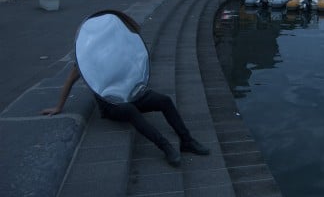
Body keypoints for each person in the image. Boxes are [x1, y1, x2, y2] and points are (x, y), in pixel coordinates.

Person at [41, 10, 210, 167]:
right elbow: (69, 82)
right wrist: (58, 107)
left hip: (131, 93)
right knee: (130, 110)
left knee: (164, 100)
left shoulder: (114, 51)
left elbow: (134, 41)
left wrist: (119, 18)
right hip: (110, 104)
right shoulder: (86, 62)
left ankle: (186, 140)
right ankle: (165, 147)